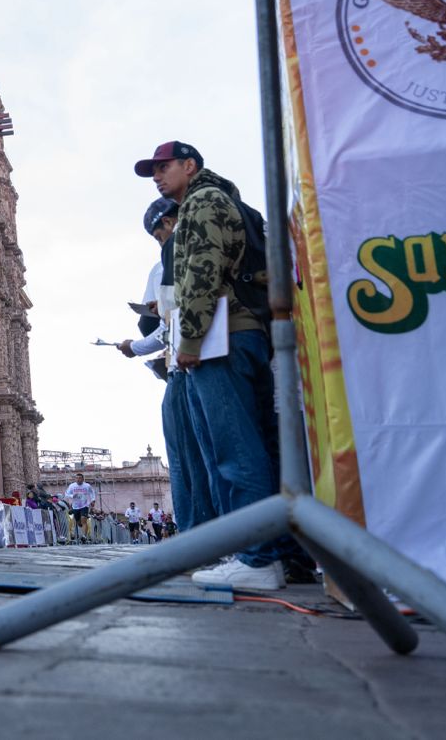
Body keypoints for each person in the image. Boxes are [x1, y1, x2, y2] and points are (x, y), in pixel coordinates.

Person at [136, 139, 290, 591]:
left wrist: (191, 338)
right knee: (257, 445)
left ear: (191, 165)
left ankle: (257, 558)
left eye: (164, 168)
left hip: (221, 338)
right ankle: (277, 555)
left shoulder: (202, 202)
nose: (158, 177)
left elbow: (200, 274)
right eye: (154, 172)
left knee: (233, 450)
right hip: (245, 334)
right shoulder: (228, 200)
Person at [118, 197, 179, 379]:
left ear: (168, 222)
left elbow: (173, 321)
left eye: (159, 238)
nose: (161, 244)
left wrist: (135, 347)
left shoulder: (166, 263)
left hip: (191, 355)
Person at [62, 473, 96, 543]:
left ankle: (84, 536)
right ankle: (81, 525)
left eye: (80, 478)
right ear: (75, 479)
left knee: (84, 519)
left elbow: (92, 493)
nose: (78, 479)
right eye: (77, 478)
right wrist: (72, 496)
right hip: (75, 506)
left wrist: (93, 500)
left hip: (84, 505)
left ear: (83, 479)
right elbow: (66, 494)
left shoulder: (87, 486)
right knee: (79, 522)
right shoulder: (72, 486)